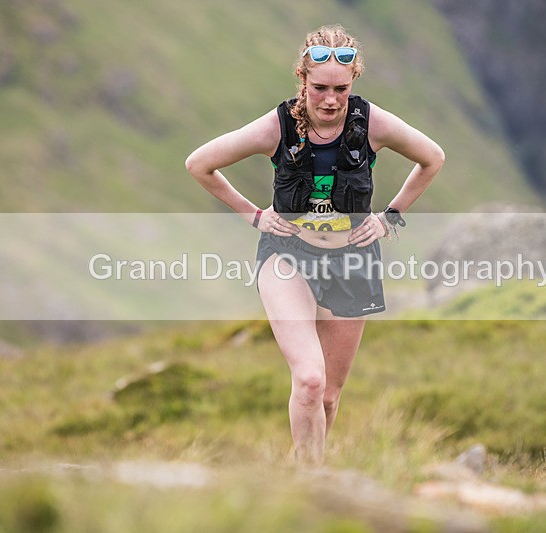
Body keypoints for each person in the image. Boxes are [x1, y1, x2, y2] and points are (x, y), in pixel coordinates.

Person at [185, 24, 444, 465]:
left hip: (353, 261)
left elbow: (431, 158)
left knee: (326, 397)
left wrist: (390, 218)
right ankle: (312, 485)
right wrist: (255, 215)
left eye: (340, 89)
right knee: (308, 380)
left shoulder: (372, 123)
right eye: (319, 87)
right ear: (301, 81)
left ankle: (301, 470)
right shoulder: (276, 126)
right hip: (288, 258)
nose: (330, 99)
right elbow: (200, 164)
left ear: (352, 82)